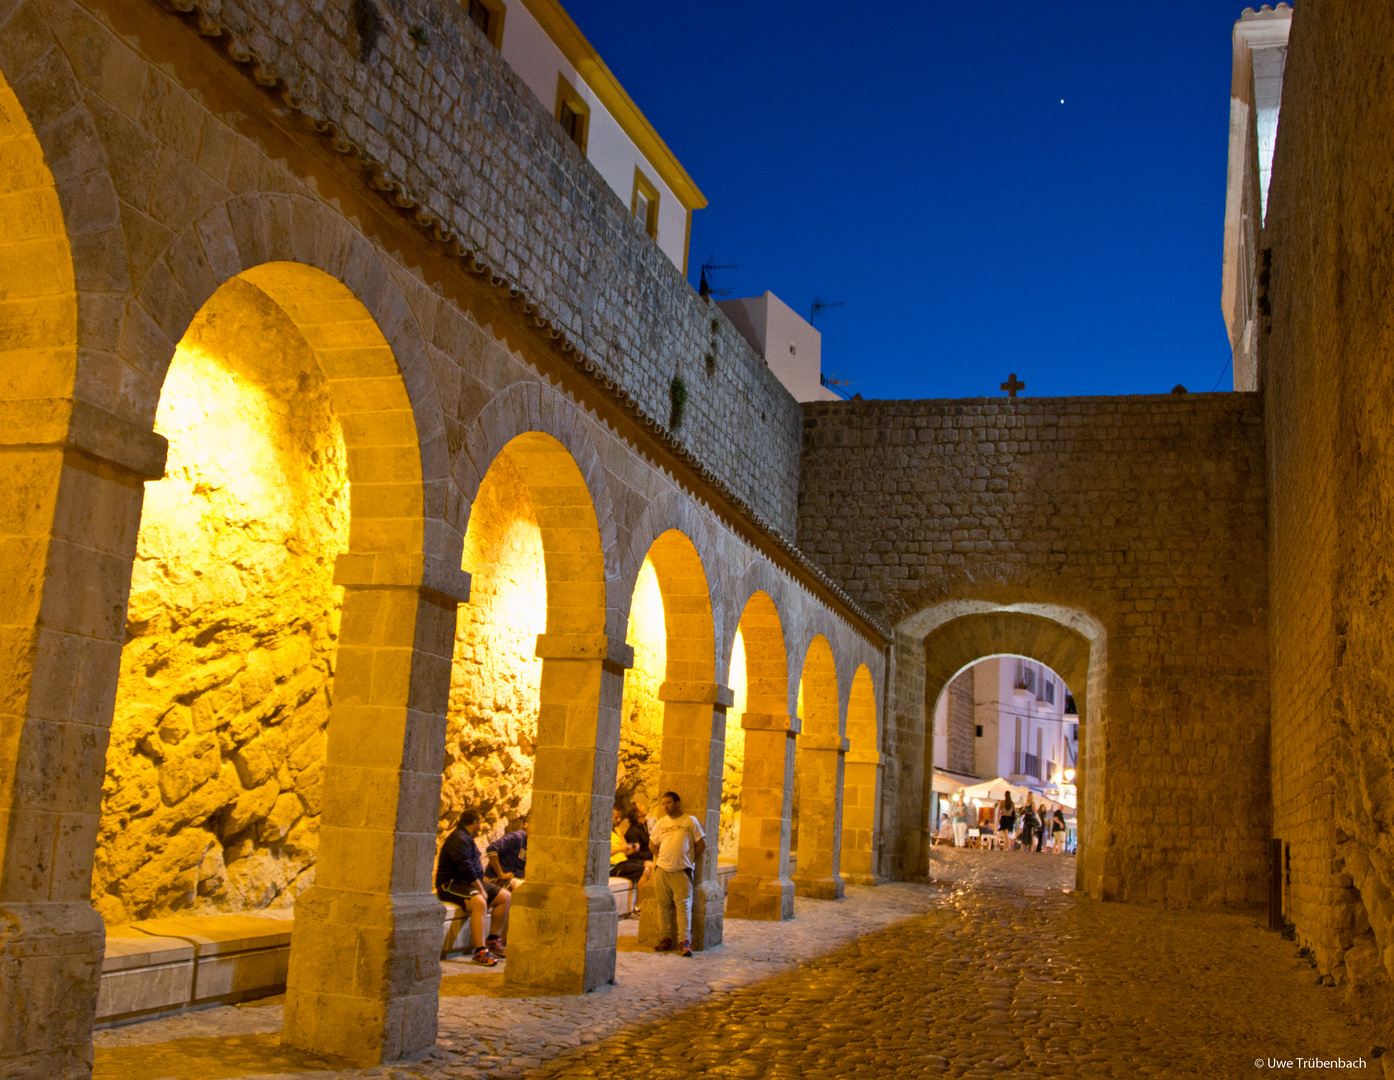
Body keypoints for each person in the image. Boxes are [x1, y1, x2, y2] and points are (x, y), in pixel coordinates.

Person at [437, 809, 511, 965]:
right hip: (452, 883)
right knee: (479, 902)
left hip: (468, 882)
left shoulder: (466, 837)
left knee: (504, 897)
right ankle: (480, 951)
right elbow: (465, 868)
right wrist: (481, 889)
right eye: (479, 823)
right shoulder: (459, 838)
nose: (480, 827)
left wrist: (483, 882)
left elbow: (473, 868)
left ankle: (493, 939)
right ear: (475, 822)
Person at [650, 790, 704, 957]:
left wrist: (688, 859)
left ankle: (684, 941)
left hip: (682, 871)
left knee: (683, 907)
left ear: (677, 803)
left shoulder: (690, 821)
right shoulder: (661, 823)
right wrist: (662, 858)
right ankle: (665, 938)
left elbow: (701, 843)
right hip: (662, 871)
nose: (665, 806)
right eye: (663, 803)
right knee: (663, 906)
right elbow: (652, 844)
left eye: (668, 802)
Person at [485, 819, 527, 886]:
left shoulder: (533, 847)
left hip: (512, 882)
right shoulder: (516, 837)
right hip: (496, 879)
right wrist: (501, 874)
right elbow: (492, 849)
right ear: (526, 825)